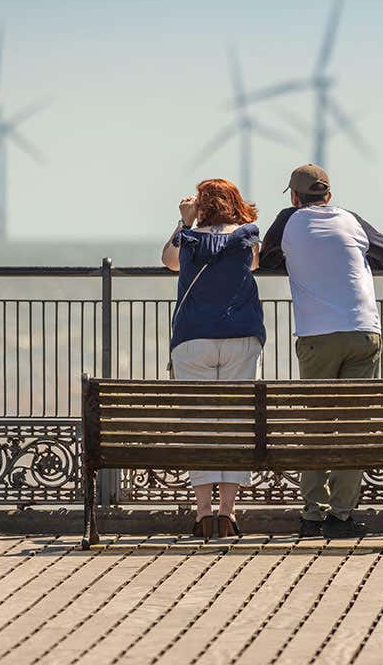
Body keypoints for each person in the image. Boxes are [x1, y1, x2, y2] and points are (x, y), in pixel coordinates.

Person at [260, 164, 383, 538]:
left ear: (294, 197)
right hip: (362, 332)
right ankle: (342, 516)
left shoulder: (288, 220)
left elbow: (267, 258)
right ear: (329, 195)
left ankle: (312, 514)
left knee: (317, 424)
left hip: (316, 337)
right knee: (354, 425)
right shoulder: (350, 219)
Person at [160, 178, 265, 540]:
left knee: (198, 422)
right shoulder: (248, 234)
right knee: (235, 421)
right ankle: (228, 513)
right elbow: (253, 264)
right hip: (240, 335)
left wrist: (184, 220)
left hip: (192, 338)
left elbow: (168, 262)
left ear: (200, 205)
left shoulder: (187, 239)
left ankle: (204, 513)